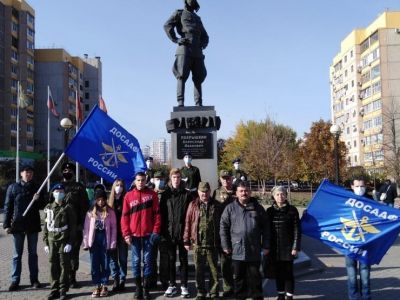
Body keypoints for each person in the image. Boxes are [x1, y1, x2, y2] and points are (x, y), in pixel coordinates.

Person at [220, 181, 268, 300]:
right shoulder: (230, 208)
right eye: (241, 191)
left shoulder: (258, 208)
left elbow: (266, 228)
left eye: (246, 190)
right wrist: (226, 246)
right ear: (236, 193)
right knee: (239, 280)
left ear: (250, 192)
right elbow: (223, 227)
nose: (244, 193)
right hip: (237, 250)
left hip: (254, 250)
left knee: (255, 279)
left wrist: (266, 245)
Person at [3, 164, 46, 291]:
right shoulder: (13, 187)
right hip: (18, 225)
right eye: (26, 172)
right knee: (17, 255)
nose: (29, 174)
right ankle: (15, 280)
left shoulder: (37, 188)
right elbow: (8, 207)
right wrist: (6, 224)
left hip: (32, 225)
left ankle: (34, 280)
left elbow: (43, 205)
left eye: (31, 172)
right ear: (21, 174)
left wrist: (38, 199)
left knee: (33, 254)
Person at [121, 172, 161, 300]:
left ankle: (146, 289)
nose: (140, 182)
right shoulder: (128, 196)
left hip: (149, 235)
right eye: (138, 180)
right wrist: (126, 234)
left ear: (146, 181)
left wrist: (155, 231)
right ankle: (138, 288)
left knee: (148, 261)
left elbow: (157, 215)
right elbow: (124, 217)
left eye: (142, 180)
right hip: (134, 235)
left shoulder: (152, 195)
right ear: (135, 181)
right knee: (136, 261)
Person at [164, 0, 209, 106]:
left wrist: (203, 44)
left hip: (197, 50)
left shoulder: (198, 19)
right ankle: (180, 103)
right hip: (185, 48)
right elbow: (167, 25)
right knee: (181, 76)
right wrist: (176, 39)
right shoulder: (179, 13)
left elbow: (205, 35)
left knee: (198, 77)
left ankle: (198, 103)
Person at [184, 182, 222, 300]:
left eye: (206, 191)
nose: (204, 194)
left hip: (213, 243)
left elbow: (222, 224)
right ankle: (201, 292)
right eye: (202, 191)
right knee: (199, 271)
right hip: (198, 243)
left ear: (210, 192)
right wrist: (186, 240)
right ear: (198, 192)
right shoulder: (193, 205)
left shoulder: (217, 205)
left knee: (214, 271)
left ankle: (214, 292)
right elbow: (188, 223)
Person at [160, 168, 192, 298]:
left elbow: (190, 216)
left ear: (181, 179)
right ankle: (172, 284)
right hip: (169, 233)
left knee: (183, 260)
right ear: (170, 179)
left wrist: (189, 234)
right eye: (174, 177)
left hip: (183, 233)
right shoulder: (165, 194)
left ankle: (184, 285)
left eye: (178, 177)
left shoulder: (187, 194)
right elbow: (162, 214)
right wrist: (163, 232)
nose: (176, 180)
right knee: (171, 260)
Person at [265, 186, 301, 300]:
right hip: (275, 248)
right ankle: (280, 295)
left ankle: (289, 296)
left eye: (282, 194)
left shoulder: (292, 210)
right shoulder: (269, 211)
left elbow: (297, 230)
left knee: (288, 274)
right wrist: (266, 246)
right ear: (273, 196)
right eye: (278, 194)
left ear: (286, 195)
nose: (280, 197)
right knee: (278, 273)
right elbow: (267, 230)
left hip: (288, 247)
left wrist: (295, 247)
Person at [43, 183, 76, 300]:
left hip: (63, 240)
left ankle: (63, 290)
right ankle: (54, 289)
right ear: (53, 193)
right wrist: (45, 242)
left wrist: (70, 243)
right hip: (52, 240)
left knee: (64, 265)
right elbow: (45, 226)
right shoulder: (48, 208)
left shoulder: (68, 208)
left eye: (61, 191)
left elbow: (73, 227)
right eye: (57, 191)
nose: (59, 193)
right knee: (53, 265)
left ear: (64, 193)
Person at [83, 189, 117, 298]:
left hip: (105, 239)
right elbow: (86, 229)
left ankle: (105, 284)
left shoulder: (110, 212)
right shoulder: (90, 212)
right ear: (95, 200)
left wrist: (112, 243)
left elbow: (114, 228)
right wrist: (86, 243)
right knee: (94, 263)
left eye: (102, 200)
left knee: (106, 263)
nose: (101, 202)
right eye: (98, 200)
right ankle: (97, 284)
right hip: (94, 240)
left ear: (106, 200)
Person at [61, 161, 90, 288]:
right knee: (62, 253)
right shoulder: (57, 187)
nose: (67, 172)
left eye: (70, 171)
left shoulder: (79, 187)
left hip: (75, 226)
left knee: (74, 253)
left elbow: (85, 206)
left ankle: (72, 277)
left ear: (73, 173)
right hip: (61, 226)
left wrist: (81, 224)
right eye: (65, 171)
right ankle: (63, 277)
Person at [345, 177, 372, 300]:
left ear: (365, 186)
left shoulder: (371, 200)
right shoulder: (346, 200)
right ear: (352, 186)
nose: (360, 188)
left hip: (366, 243)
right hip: (349, 243)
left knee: (365, 273)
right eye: (357, 186)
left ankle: (366, 297)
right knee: (351, 274)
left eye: (362, 186)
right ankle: (354, 297)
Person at [211, 170, 234, 297]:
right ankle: (227, 287)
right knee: (224, 261)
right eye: (223, 178)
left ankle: (238, 285)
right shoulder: (216, 192)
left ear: (231, 178)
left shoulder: (237, 191)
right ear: (220, 179)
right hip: (222, 231)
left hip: (236, 231)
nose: (226, 180)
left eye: (228, 178)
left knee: (236, 261)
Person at [107, 178, 128, 292]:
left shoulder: (126, 199)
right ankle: (115, 279)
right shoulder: (109, 203)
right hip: (112, 235)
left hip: (123, 234)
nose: (118, 187)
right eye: (116, 185)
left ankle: (122, 280)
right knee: (113, 259)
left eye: (120, 185)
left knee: (123, 258)